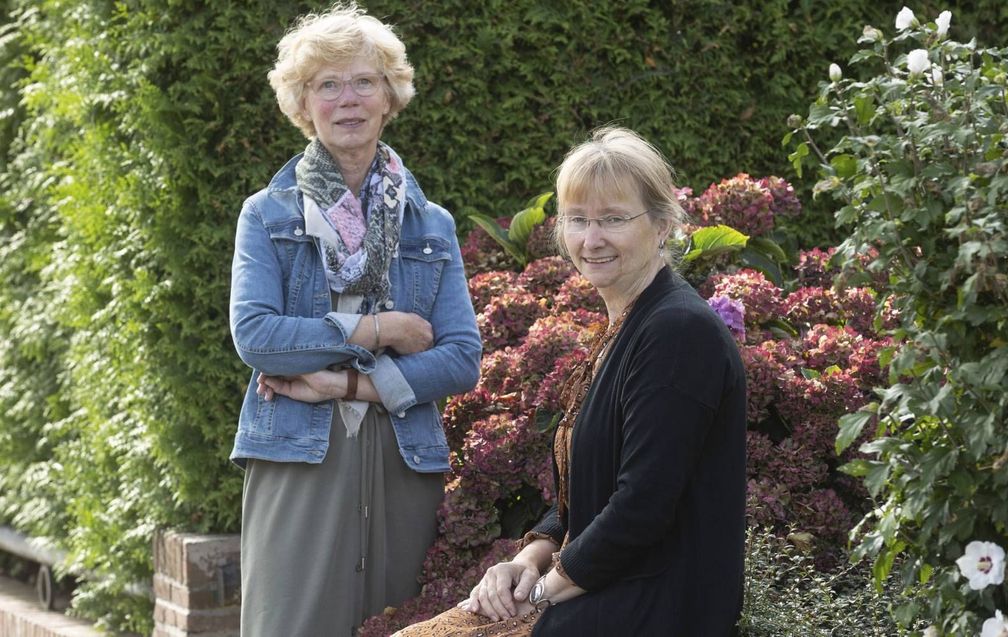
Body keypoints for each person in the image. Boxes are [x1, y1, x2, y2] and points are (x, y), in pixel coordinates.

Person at [395, 127, 747, 637]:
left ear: (663, 223)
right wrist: (530, 557)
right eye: (578, 220)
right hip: (603, 589)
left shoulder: (678, 333)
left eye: (613, 219)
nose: (591, 239)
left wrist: (535, 595)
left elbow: (641, 508)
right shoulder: (627, 327)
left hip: (652, 606)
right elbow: (588, 493)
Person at [227, 4, 482, 635]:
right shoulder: (266, 215)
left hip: (405, 460)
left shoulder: (432, 224)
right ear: (303, 102)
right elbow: (258, 338)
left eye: (365, 81)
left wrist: (346, 383)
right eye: (328, 85)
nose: (349, 100)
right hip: (297, 451)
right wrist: (378, 331)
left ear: (389, 97)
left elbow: (461, 359)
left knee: (399, 624)